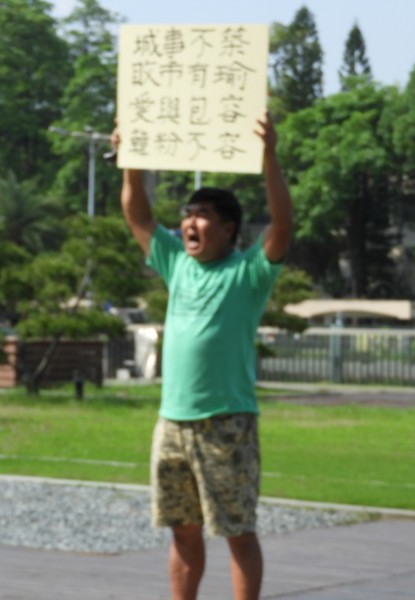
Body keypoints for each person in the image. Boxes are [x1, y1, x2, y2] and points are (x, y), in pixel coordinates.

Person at [113, 110, 293, 600]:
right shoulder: (176, 263)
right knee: (183, 530)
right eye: (187, 215)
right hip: (171, 421)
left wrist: (269, 155)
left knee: (237, 529)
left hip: (226, 422)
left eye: (202, 216)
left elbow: (283, 221)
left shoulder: (250, 272)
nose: (188, 223)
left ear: (229, 228)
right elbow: (138, 215)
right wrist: (131, 161)